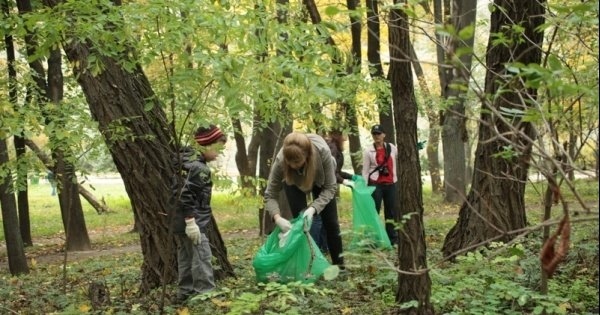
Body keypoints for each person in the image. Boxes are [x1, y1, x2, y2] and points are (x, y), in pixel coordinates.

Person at [264, 132, 345, 267]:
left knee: (331, 223)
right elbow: (270, 194)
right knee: (301, 224)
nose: (293, 165)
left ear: (307, 155)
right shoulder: (281, 161)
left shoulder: (322, 152)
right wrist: (277, 218)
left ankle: (339, 265)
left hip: (321, 180)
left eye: (296, 161)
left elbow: (331, 188)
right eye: (289, 162)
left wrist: (313, 208)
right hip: (294, 182)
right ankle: (309, 265)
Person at [171, 124, 227, 303]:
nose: (219, 153)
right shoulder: (197, 167)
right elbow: (183, 193)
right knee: (201, 257)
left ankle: (185, 292)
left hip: (179, 221)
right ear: (207, 144)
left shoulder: (186, 162)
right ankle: (206, 295)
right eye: (218, 148)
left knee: (185, 257)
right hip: (191, 222)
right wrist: (191, 222)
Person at [310, 130, 356, 254]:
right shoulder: (332, 148)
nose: (345, 141)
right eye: (344, 137)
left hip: (326, 183)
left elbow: (337, 170)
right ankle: (314, 247)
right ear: (339, 136)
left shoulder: (335, 148)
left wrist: (350, 177)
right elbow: (332, 171)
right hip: (323, 185)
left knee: (325, 219)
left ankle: (324, 247)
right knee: (320, 217)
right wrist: (344, 182)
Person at [362, 124, 398, 245]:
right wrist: (365, 188)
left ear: (384, 135)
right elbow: (365, 171)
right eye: (374, 134)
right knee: (374, 211)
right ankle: (372, 239)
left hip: (391, 184)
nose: (376, 136)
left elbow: (402, 155)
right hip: (375, 185)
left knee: (391, 212)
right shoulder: (368, 150)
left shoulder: (391, 147)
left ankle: (392, 239)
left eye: (378, 133)